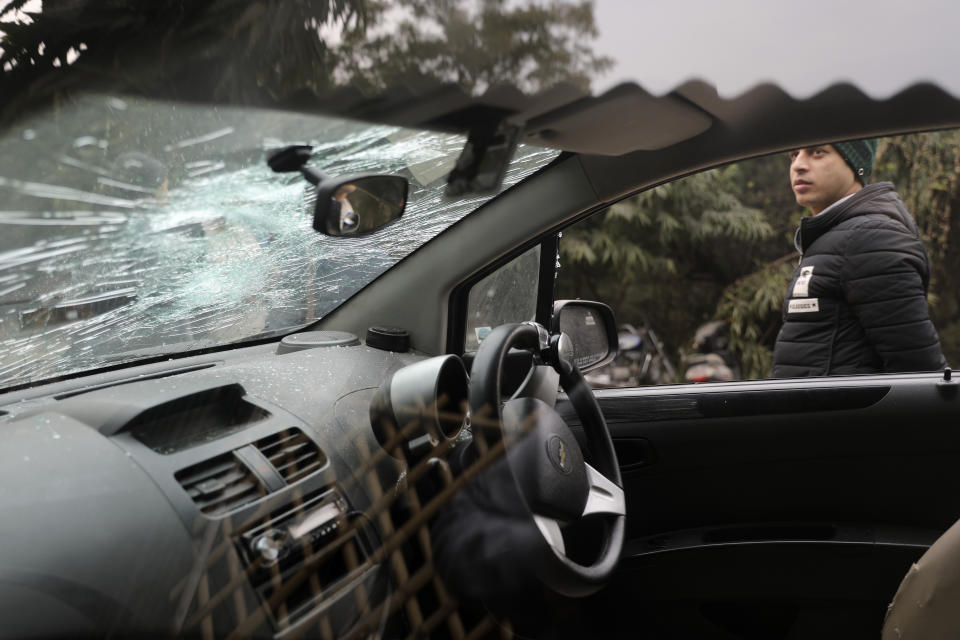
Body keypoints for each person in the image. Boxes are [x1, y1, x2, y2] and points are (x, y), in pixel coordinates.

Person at [772, 139, 946, 377]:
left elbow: (917, 370)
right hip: (811, 413)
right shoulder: (837, 236)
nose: (798, 165)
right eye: (794, 154)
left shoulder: (871, 238)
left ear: (856, 165)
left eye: (818, 152)